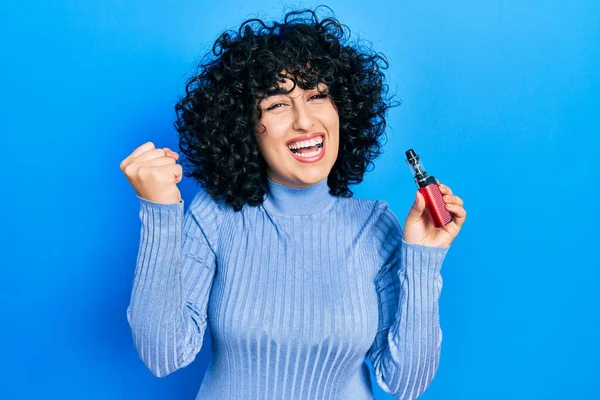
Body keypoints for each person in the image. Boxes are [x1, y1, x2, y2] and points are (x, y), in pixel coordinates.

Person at [119, 6, 466, 400]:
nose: (304, 121)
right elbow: (163, 355)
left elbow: (406, 385)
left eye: (318, 96)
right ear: (244, 126)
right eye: (277, 104)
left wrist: (422, 259)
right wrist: (159, 213)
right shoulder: (214, 216)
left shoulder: (374, 224)